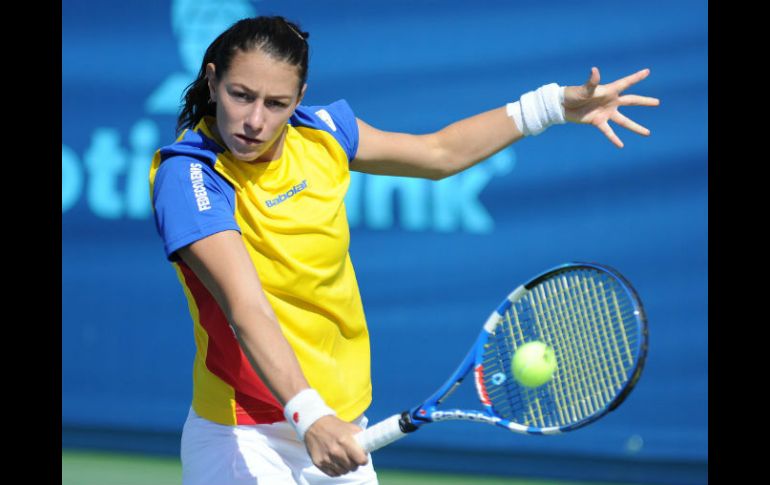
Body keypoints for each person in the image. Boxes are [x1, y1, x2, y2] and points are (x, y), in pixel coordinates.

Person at [149, 15, 659, 485]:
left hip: (342, 423)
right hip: (248, 432)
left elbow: (438, 153)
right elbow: (247, 308)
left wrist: (549, 107)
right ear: (213, 80)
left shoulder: (324, 132)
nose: (254, 120)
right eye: (241, 95)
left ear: (300, 96)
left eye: (277, 103)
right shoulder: (190, 175)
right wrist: (308, 414)